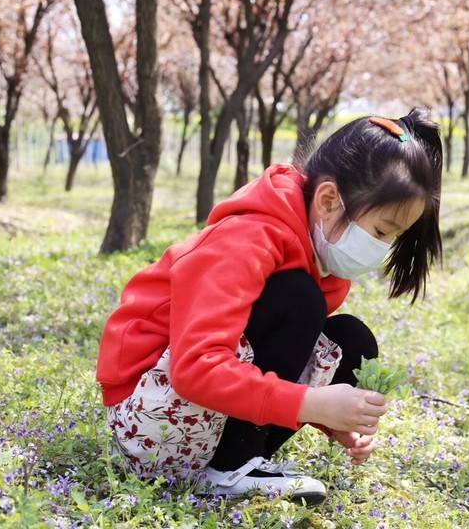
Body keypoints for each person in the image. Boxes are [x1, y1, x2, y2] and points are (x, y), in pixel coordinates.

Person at [96, 108, 444, 503]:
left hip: (195, 420)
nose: (380, 250)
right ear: (329, 200)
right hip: (149, 422)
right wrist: (311, 403)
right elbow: (194, 369)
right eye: (381, 231)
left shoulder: (318, 258)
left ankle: (237, 465)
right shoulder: (246, 240)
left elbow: (279, 356)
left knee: (350, 339)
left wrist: (336, 422)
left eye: (391, 239)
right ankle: (229, 470)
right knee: (299, 300)